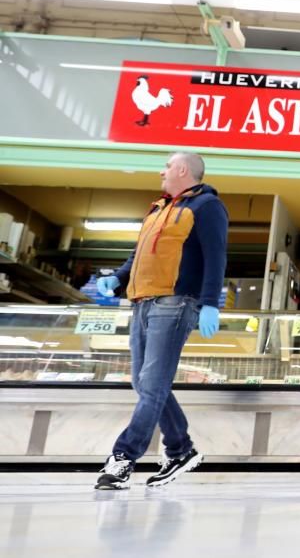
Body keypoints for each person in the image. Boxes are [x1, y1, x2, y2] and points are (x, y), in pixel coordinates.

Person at [94, 151, 229, 490]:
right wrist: (119, 278)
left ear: (183, 169)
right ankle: (181, 449)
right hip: (141, 302)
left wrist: (210, 303)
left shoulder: (206, 206)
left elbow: (217, 256)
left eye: (167, 166)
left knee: (152, 385)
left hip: (175, 303)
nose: (161, 172)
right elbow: (139, 253)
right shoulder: (160, 208)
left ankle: (123, 458)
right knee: (144, 384)